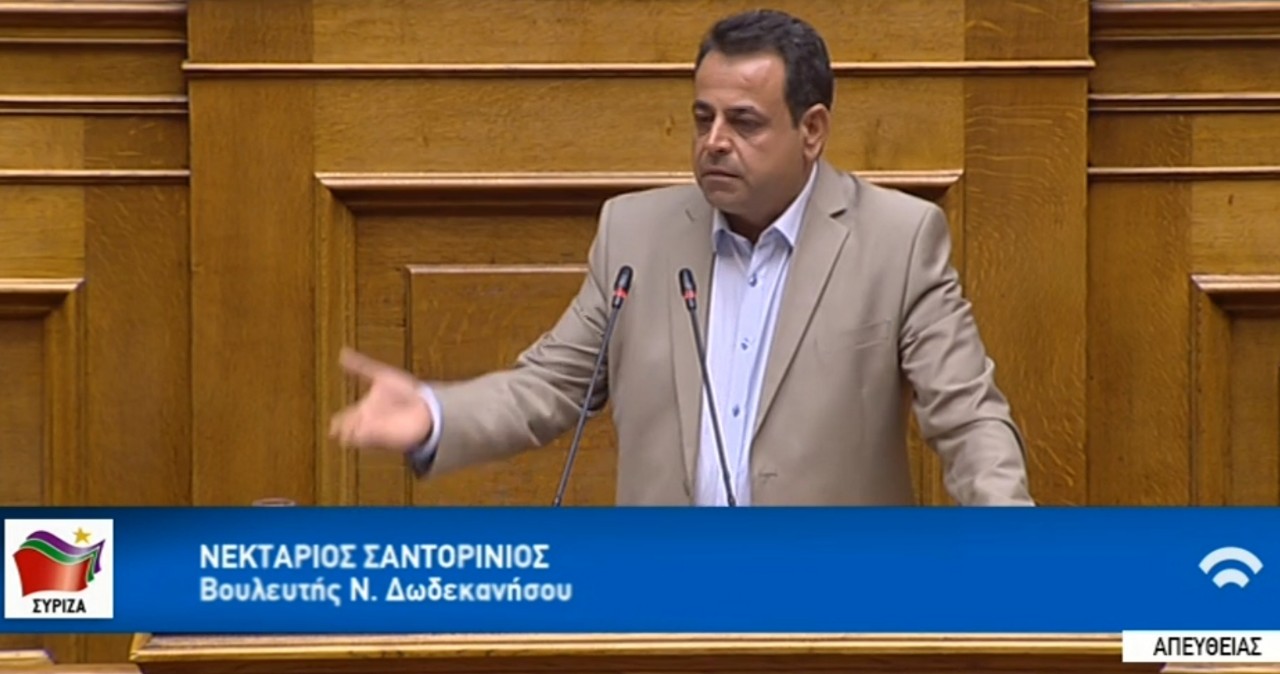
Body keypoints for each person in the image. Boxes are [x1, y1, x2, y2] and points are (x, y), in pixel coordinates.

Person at [330, 9, 1034, 506]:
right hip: (663, 606)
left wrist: (1013, 551)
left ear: (812, 130)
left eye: (744, 122)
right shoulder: (636, 233)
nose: (714, 141)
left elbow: (968, 418)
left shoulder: (897, 239)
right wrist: (435, 414)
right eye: (704, 118)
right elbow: (549, 387)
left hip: (832, 604)